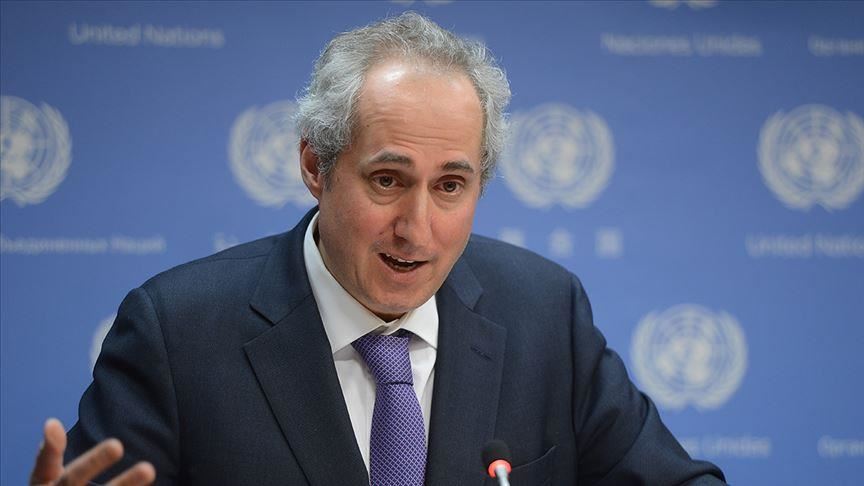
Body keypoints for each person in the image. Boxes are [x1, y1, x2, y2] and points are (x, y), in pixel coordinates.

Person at [31, 12, 726, 486]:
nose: (417, 229)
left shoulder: (546, 312)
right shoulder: (176, 333)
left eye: (450, 186)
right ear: (316, 166)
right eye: (387, 180)